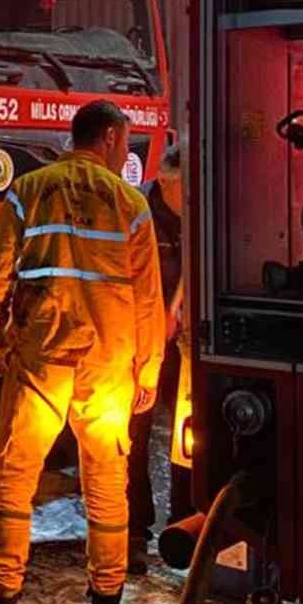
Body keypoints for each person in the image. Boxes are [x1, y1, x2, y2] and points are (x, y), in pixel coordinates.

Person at [0, 100, 164, 604]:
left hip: (42, 355)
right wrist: (147, 371)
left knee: (15, 476)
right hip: (108, 363)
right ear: (106, 138)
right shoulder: (131, 204)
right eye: (124, 142)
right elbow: (148, 297)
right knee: (107, 483)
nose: (126, 153)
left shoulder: (29, 189)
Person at [127, 154, 184, 572]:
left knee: (187, 435)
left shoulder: (201, 211)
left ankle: (185, 525)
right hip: (139, 343)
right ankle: (132, 531)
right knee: (134, 435)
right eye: (185, 190)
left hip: (183, 341)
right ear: (165, 184)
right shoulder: (136, 212)